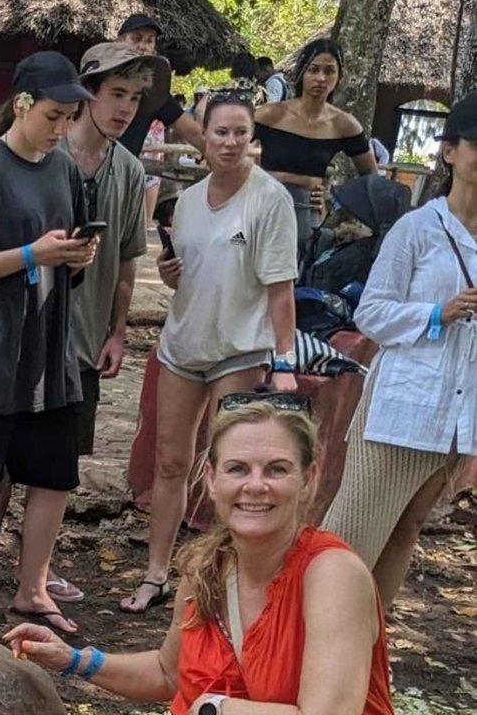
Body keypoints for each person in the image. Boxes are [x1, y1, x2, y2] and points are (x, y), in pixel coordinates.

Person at [6, 396, 397, 715]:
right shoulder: (206, 567)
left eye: (277, 469)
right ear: (212, 479)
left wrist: (215, 709)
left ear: (309, 478)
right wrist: (73, 659)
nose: (256, 485)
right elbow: (167, 673)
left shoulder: (332, 574)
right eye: (237, 468)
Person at [0, 50, 98, 639]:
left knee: (54, 473)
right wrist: (34, 254)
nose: (61, 130)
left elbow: (67, 251)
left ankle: (33, 589)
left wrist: (77, 255)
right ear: (24, 106)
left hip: (52, 348)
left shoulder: (62, 169)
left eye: (69, 119)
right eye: (54, 116)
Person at [122, 92, 299, 616]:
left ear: (253, 139)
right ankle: (157, 573)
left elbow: (280, 290)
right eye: (220, 132)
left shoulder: (270, 201)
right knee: (171, 463)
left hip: (239, 348)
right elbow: (192, 274)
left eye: (240, 132)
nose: (229, 142)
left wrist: (284, 362)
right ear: (202, 136)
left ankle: (226, 582)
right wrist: (175, 277)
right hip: (183, 344)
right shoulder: (190, 201)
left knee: (231, 468)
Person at [323, 91, 477, 607]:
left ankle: (367, 650)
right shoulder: (419, 229)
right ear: (450, 151)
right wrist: (438, 313)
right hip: (400, 411)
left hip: (457, 416)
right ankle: (299, 650)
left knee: (406, 533)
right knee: (348, 540)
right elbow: (371, 313)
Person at [254, 38, 377, 259]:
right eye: (314, 69)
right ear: (302, 72)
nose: (321, 78)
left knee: (292, 284)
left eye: (329, 71)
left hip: (304, 215)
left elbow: (371, 177)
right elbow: (229, 148)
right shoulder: (271, 114)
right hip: (261, 208)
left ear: (339, 76)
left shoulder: (344, 124)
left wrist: (334, 201)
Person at [114, 14, 204, 227]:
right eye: (136, 39)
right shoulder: (96, 79)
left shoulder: (156, 94)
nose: (143, 46)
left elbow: (194, 133)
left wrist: (231, 160)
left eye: (149, 40)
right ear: (119, 42)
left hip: (122, 184)